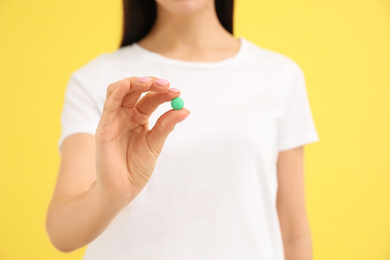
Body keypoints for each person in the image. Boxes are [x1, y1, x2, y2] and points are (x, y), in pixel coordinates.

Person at [46, 0, 319, 259]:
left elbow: (293, 233)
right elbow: (62, 233)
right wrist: (110, 194)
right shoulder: (97, 80)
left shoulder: (280, 75)